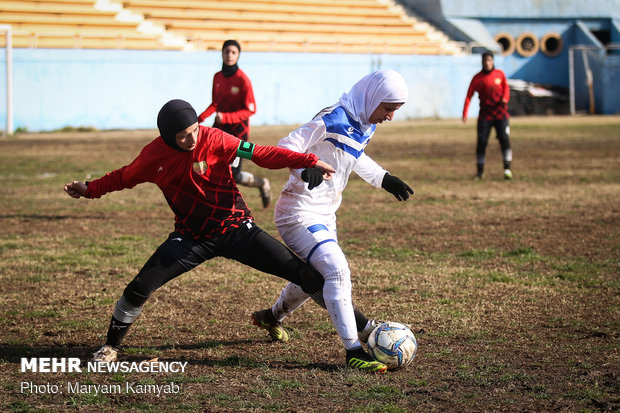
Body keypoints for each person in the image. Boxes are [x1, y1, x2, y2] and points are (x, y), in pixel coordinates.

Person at [63, 99, 339, 365]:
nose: (192, 139)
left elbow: (260, 154)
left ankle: (361, 332)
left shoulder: (216, 139)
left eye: (195, 130)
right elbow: (123, 177)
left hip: (236, 229)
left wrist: (308, 160)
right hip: (191, 237)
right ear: (168, 136)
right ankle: (110, 345)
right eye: (183, 136)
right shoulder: (152, 156)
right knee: (139, 287)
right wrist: (90, 189)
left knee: (305, 275)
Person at [251, 69, 414, 372]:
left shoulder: (364, 121)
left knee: (318, 273)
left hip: (326, 213)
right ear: (373, 98)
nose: (390, 116)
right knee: (337, 272)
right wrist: (305, 167)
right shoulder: (333, 118)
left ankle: (271, 317)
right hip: (298, 211)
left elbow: (354, 155)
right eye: (388, 109)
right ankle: (353, 351)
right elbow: (286, 146)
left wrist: (384, 178)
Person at [197, 40, 272, 208]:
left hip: (238, 133)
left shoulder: (243, 80)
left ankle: (262, 184)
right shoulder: (217, 77)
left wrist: (227, 118)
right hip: (220, 129)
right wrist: (199, 118)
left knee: (234, 175)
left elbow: (250, 109)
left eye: (233, 52)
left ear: (238, 55)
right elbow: (215, 103)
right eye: (226, 52)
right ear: (222, 54)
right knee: (202, 158)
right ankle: (202, 194)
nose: (229, 55)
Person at [462, 52, 513, 180]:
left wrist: (505, 98)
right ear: (482, 62)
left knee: (504, 139)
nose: (487, 63)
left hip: (501, 113)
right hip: (485, 114)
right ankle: (480, 172)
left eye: (489, 60)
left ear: (493, 61)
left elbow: (506, 89)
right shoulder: (477, 78)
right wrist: (465, 113)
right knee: (482, 142)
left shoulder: (500, 74)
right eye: (485, 60)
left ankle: (507, 169)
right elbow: (469, 95)